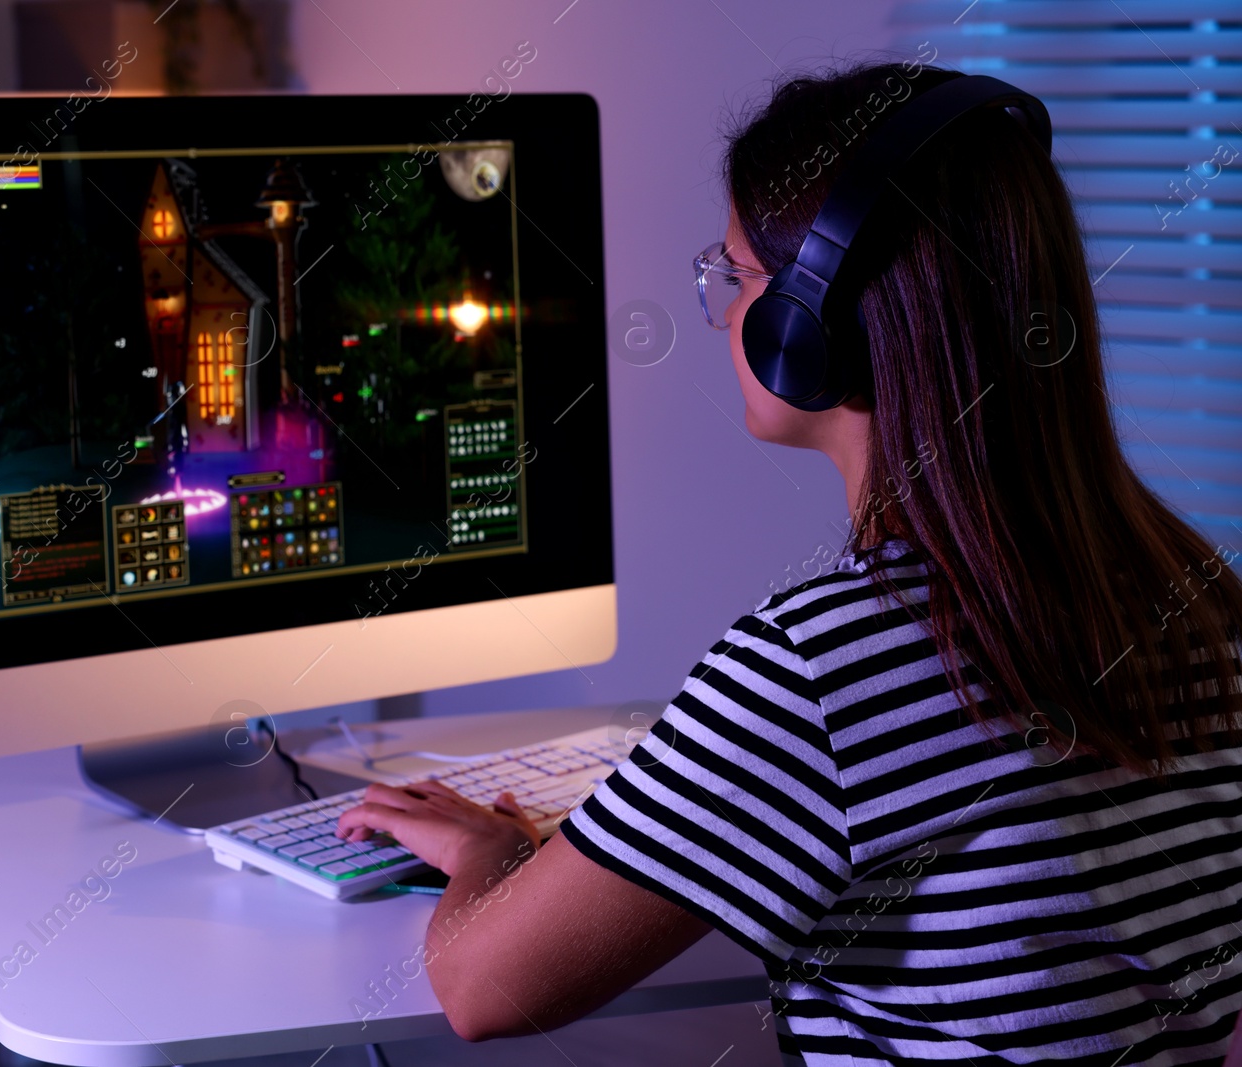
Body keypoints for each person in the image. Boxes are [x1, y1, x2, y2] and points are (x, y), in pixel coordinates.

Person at [335, 59, 1242, 1064]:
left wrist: (491, 851)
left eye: (737, 277)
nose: (724, 311)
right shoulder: (1195, 597)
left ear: (810, 326)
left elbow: (482, 988)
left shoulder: (824, 667)